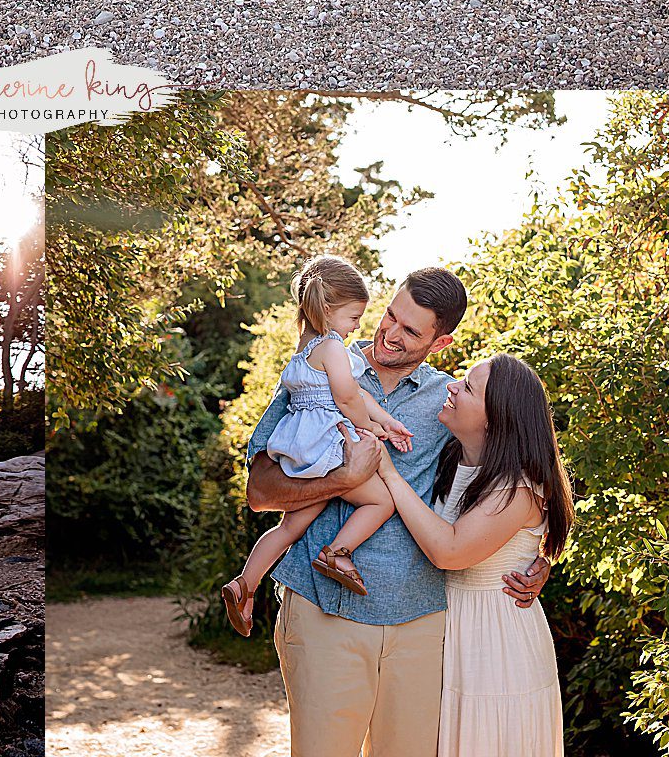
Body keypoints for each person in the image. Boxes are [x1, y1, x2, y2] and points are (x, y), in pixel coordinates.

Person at [242, 268, 551, 757]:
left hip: (421, 623)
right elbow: (260, 490)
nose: (388, 333)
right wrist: (340, 480)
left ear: (440, 341)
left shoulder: (450, 401)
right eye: (390, 315)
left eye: (410, 331)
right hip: (326, 612)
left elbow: (520, 471)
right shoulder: (320, 367)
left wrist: (533, 556)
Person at [377, 354, 573, 757]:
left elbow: (450, 550)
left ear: (494, 418)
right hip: (441, 626)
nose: (451, 387)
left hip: (494, 645)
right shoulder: (451, 458)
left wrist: (389, 474)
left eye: (466, 387)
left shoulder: (518, 488)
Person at [222, 256, 414, 637]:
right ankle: (337, 553)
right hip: (328, 444)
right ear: (328, 310)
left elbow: (353, 392)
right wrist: (371, 429)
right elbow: (347, 398)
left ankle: (244, 584)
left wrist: (387, 421)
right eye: (353, 317)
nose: (358, 325)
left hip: (298, 448)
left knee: (290, 526)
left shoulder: (306, 346)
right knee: (382, 501)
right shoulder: (333, 348)